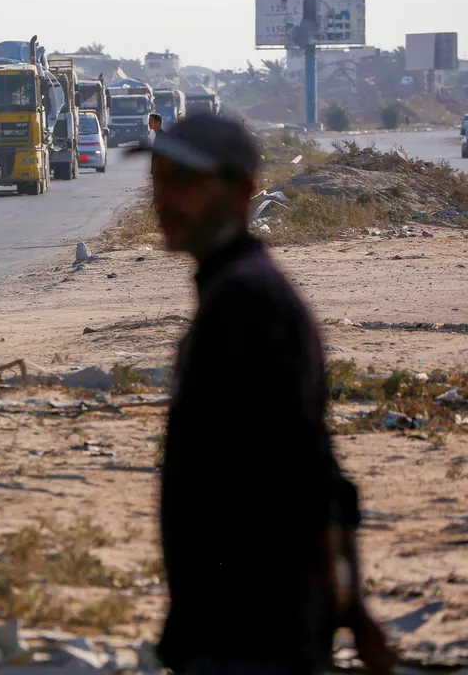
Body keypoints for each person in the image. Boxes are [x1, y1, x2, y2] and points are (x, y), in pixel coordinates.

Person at [151, 114, 393, 675]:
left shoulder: (247, 304)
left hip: (252, 627)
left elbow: (310, 470)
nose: (165, 198)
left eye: (185, 182)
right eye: (160, 179)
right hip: (235, 623)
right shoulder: (233, 292)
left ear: (242, 191)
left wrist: (353, 610)